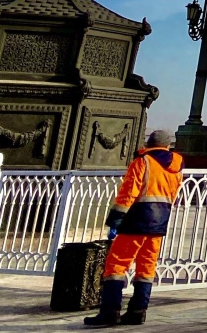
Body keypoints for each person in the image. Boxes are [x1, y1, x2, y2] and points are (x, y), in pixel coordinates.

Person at [85, 129, 183, 327]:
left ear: (148, 144)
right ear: (167, 146)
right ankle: (138, 311)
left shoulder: (143, 161)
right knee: (146, 267)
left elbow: (128, 193)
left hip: (136, 220)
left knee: (116, 265)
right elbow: (173, 193)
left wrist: (115, 220)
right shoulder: (177, 165)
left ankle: (110, 312)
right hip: (159, 223)